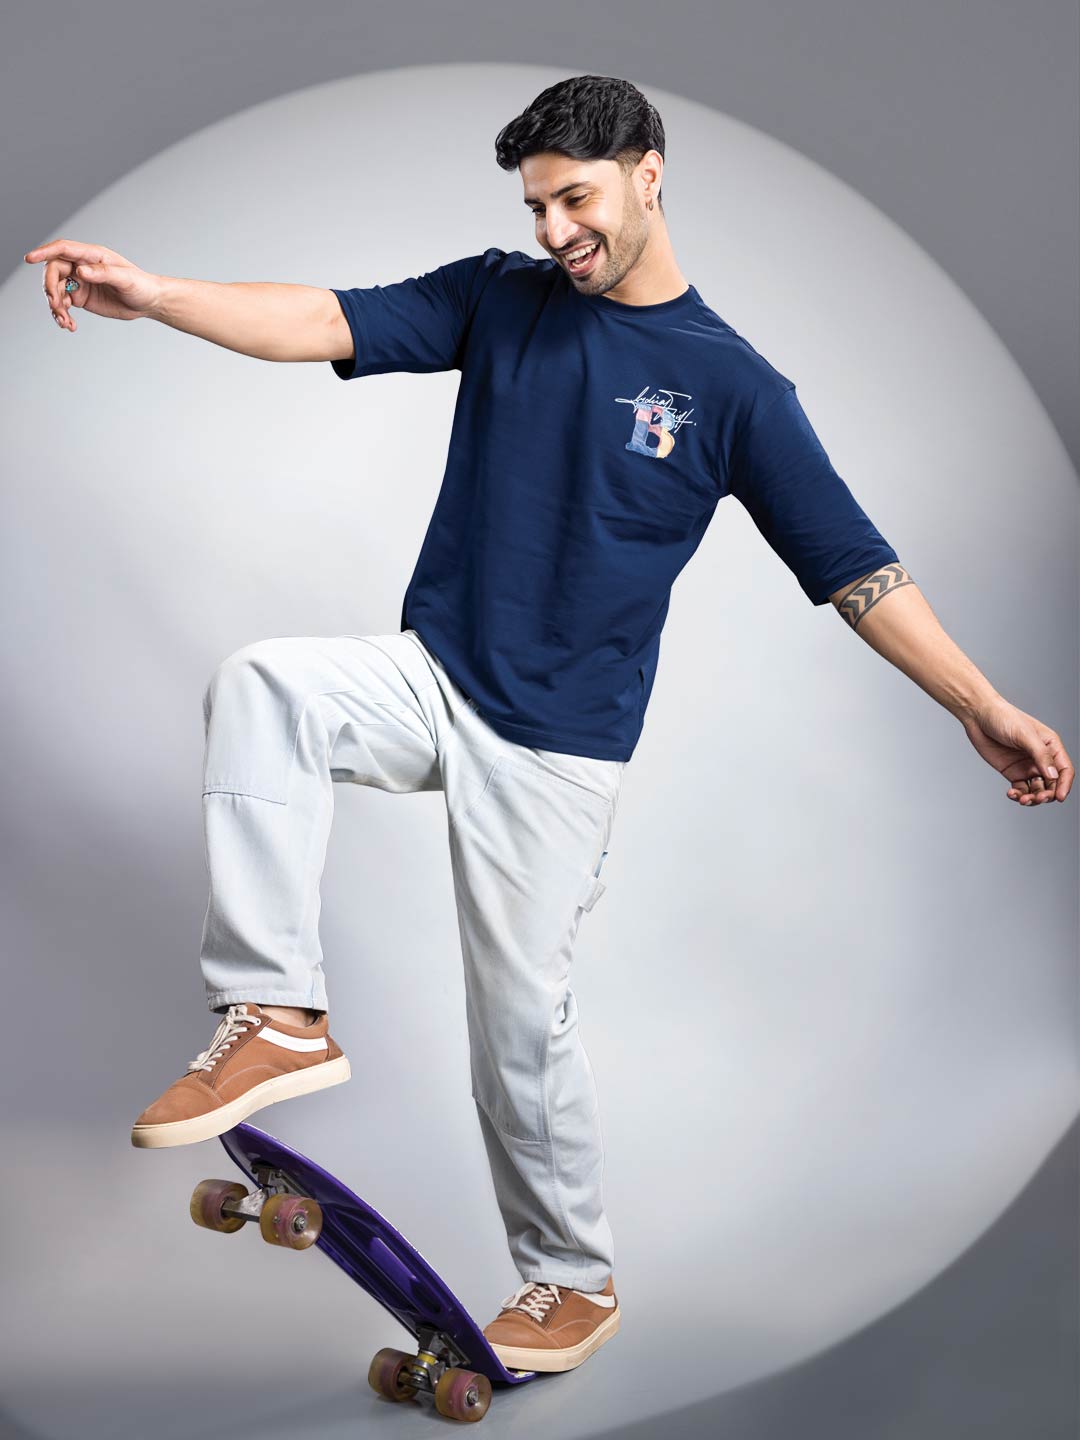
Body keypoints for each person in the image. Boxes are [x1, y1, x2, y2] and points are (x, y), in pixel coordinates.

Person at [23, 73, 1072, 1376]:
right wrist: (161, 296)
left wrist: (982, 704)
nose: (555, 231)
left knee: (517, 1033)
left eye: (576, 200)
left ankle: (571, 1286)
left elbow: (858, 570)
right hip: (438, 675)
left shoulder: (732, 389)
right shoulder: (500, 298)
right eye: (536, 207)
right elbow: (320, 318)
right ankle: (277, 1011)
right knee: (266, 685)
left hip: (560, 748)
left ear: (649, 173)